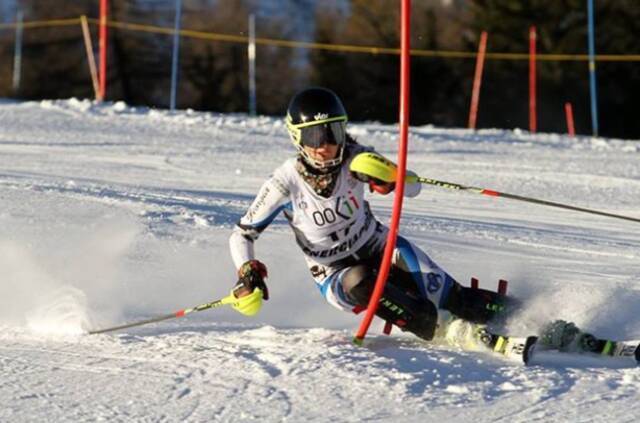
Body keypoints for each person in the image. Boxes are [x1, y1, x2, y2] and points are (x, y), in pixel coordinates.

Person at [227, 87, 586, 351]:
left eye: (332, 133)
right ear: (297, 138)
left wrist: (391, 178)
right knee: (363, 281)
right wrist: (248, 271)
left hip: (380, 245)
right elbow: (242, 234)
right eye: (314, 136)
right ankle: (447, 331)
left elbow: (410, 189)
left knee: (450, 295)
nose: (325, 145)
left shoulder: (356, 159)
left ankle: (540, 319)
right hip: (334, 272)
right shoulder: (284, 182)